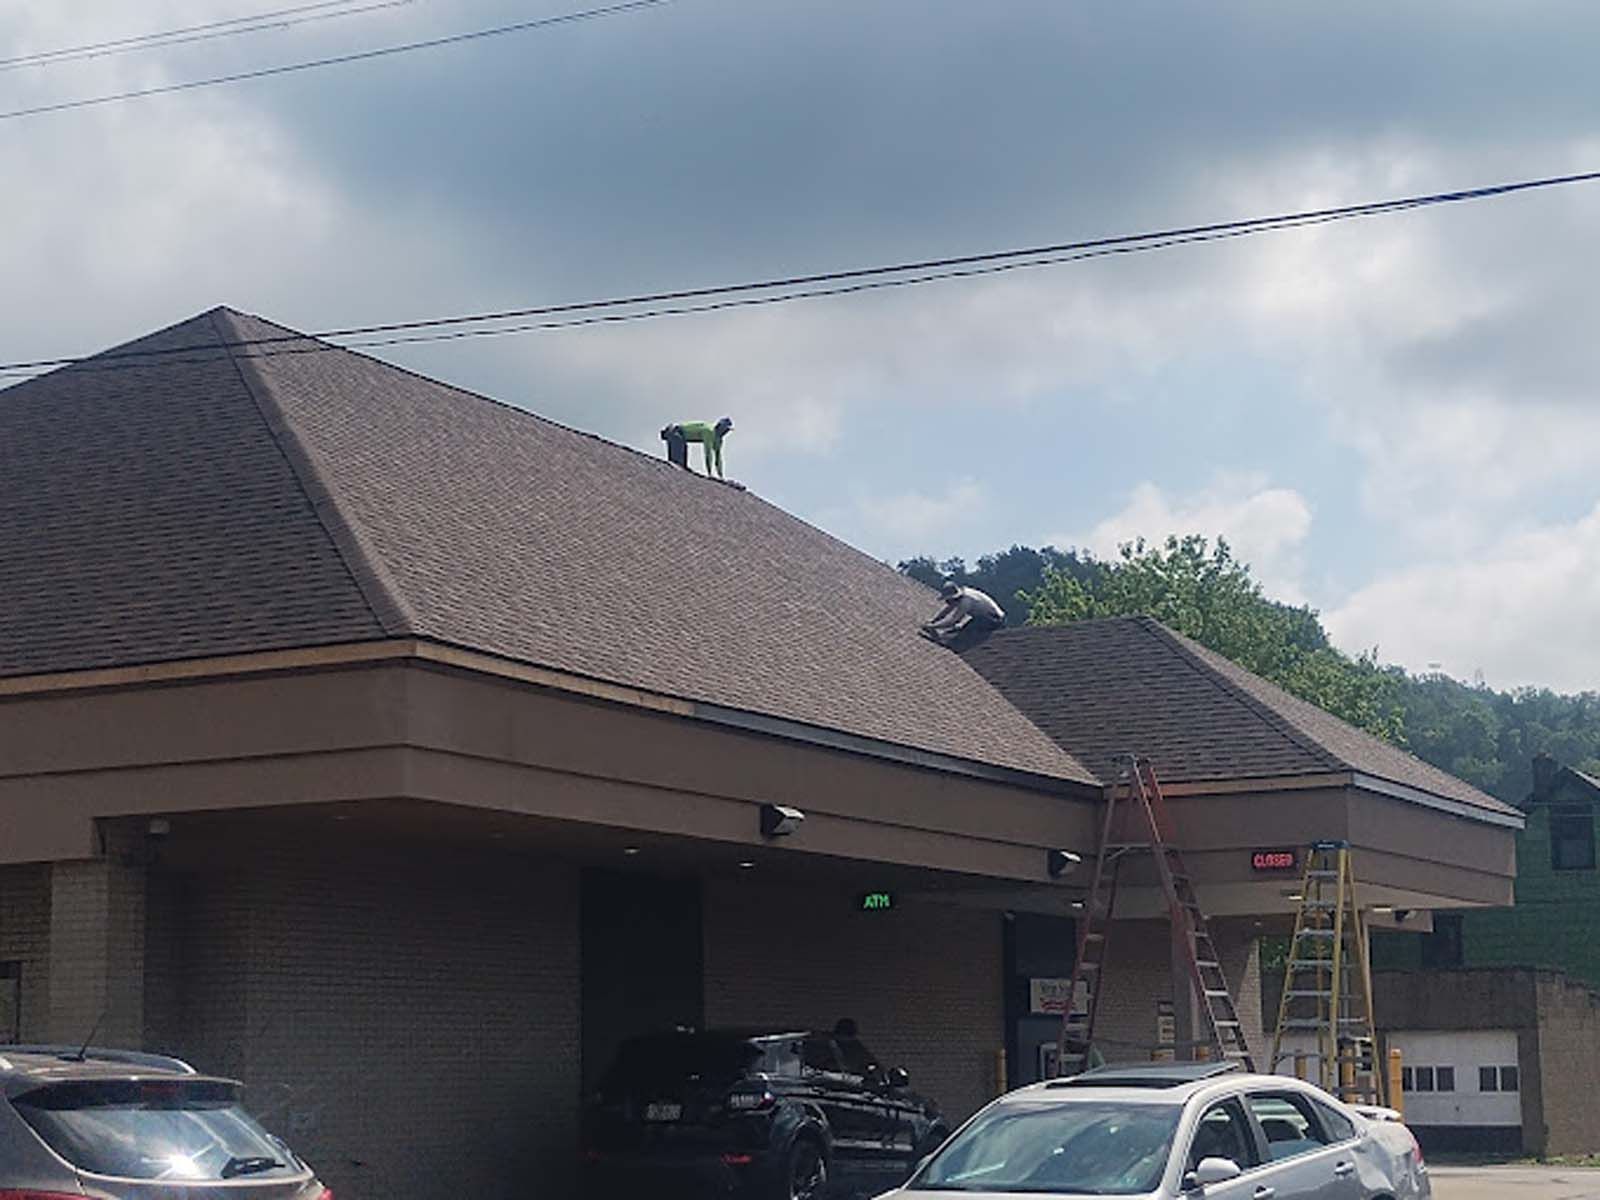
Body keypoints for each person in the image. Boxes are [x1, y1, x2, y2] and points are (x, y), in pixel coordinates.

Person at [922, 582, 1005, 647]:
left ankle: (951, 643)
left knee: (966, 631)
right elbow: (947, 610)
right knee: (959, 628)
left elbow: (953, 620)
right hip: (984, 616)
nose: (947, 602)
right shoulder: (961, 596)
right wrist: (933, 621)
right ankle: (944, 637)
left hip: (994, 619)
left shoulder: (966, 602)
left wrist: (933, 626)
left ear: (954, 598)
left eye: (948, 600)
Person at [662, 417, 733, 479]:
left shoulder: (719, 440)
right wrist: (710, 473)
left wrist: (721, 476)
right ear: (720, 427)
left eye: (727, 431)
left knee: (682, 465)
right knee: (678, 463)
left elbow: (718, 457)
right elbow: (708, 452)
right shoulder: (709, 431)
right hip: (675, 432)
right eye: (725, 430)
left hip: (682, 438)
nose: (725, 432)